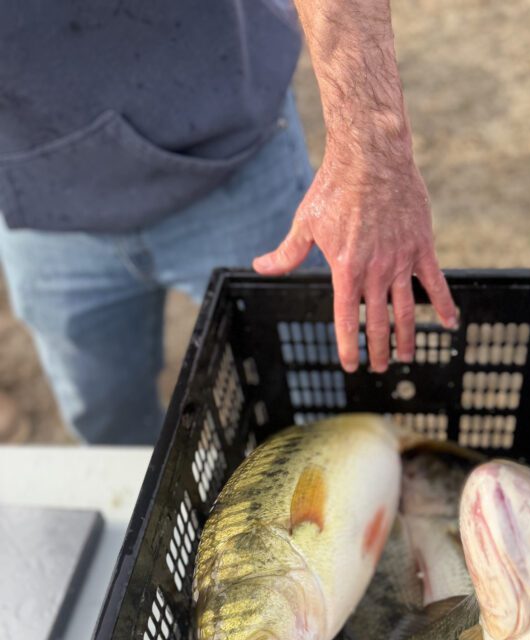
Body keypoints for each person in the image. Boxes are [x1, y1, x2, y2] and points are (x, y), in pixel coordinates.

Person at [0, 1, 457, 445]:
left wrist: (373, 155)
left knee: (317, 397)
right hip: (40, 205)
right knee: (104, 418)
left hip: (234, 158)